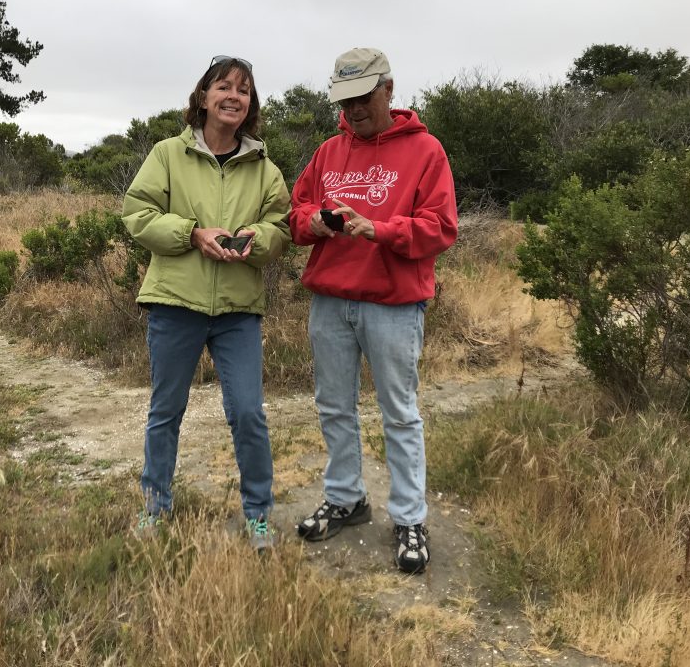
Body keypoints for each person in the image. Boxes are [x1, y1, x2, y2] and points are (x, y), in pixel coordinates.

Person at [289, 48, 457, 573]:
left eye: (364, 97)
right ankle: (346, 499)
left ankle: (409, 518)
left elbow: (441, 228)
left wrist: (379, 229)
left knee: (400, 414)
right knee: (334, 405)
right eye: (346, 100)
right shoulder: (327, 151)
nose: (355, 109)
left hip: (393, 305)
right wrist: (316, 222)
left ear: (388, 88)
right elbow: (293, 216)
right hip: (331, 301)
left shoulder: (426, 151)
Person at [122, 55, 291, 549]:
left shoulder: (265, 169)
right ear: (203, 97)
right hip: (176, 303)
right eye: (223, 86)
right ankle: (155, 508)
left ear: (251, 104)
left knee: (248, 413)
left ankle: (258, 515)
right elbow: (137, 214)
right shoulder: (168, 154)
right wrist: (192, 234)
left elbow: (280, 229)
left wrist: (251, 241)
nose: (233, 95)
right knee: (166, 410)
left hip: (238, 311)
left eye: (243, 89)